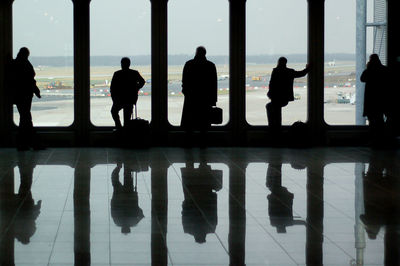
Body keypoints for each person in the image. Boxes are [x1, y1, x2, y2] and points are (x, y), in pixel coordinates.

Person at [181, 46, 217, 146]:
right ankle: (203, 143)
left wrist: (186, 92)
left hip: (191, 97)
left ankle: (188, 142)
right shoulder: (210, 65)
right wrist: (213, 99)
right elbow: (213, 84)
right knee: (204, 123)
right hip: (205, 98)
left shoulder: (189, 64)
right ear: (205, 53)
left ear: (196, 52)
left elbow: (184, 81)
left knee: (189, 122)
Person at [267, 57, 310, 134]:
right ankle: (276, 130)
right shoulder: (289, 71)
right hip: (284, 98)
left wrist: (270, 94)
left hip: (276, 98)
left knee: (272, 109)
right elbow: (301, 73)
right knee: (276, 113)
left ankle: (273, 129)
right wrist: (307, 68)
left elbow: (271, 84)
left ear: (278, 62)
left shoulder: (275, 71)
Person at [10, 47, 42, 151]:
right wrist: (36, 91)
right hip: (25, 95)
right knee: (26, 118)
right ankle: (30, 142)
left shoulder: (15, 64)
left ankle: (25, 143)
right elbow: (30, 80)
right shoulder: (25, 64)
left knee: (25, 118)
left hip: (19, 95)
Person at [360, 54, 389, 145]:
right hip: (381, 98)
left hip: (371, 99)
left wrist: (368, 67)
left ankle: (373, 140)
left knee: (372, 121)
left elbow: (362, 79)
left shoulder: (369, 71)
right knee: (380, 120)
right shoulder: (384, 70)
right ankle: (382, 139)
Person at [110, 57, 145, 129]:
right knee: (127, 119)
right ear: (129, 64)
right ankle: (125, 131)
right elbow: (142, 81)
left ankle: (119, 127)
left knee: (114, 111)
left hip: (119, 99)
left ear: (121, 64)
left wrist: (114, 98)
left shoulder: (117, 74)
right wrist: (136, 88)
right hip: (130, 99)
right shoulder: (134, 73)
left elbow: (112, 88)